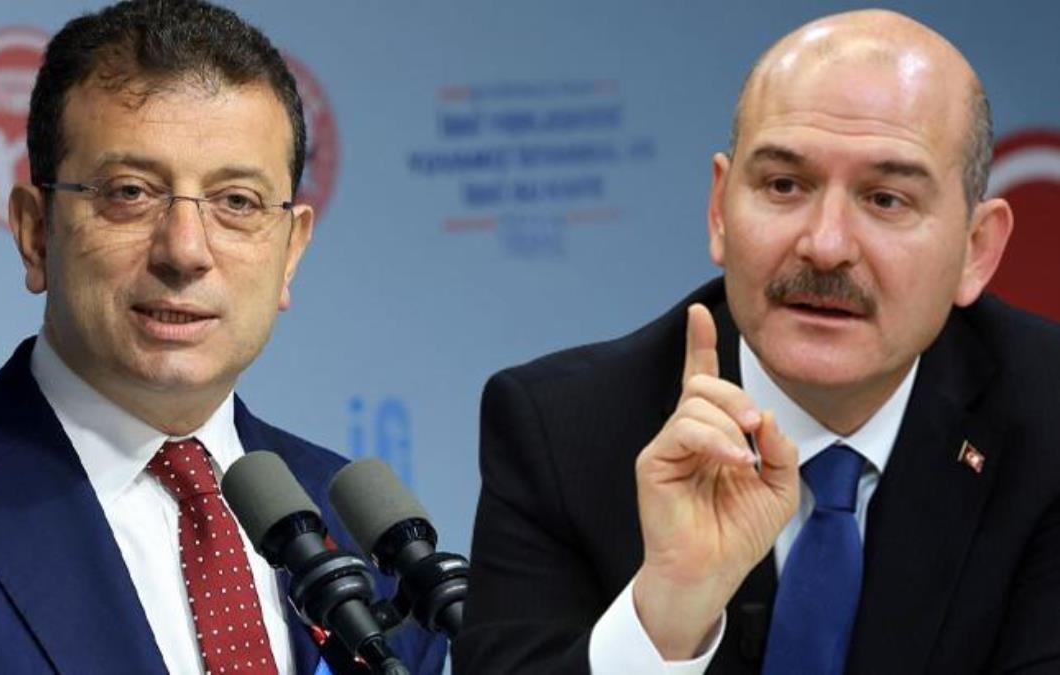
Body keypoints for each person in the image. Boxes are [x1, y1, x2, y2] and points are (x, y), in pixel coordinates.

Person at [454, 9, 1060, 674]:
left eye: (886, 199)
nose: (826, 245)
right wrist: (665, 615)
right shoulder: (562, 432)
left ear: (977, 249)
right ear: (719, 210)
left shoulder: (1047, 421)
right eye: (784, 185)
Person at [0, 2, 445, 673]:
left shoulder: (367, 539)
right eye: (131, 193)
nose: (185, 251)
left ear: (290, 252)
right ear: (36, 233)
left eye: (237, 202)